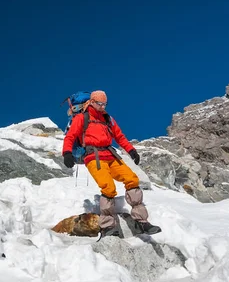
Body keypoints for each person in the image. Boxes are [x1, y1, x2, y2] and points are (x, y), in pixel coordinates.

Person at [62, 90, 161, 238]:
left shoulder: (108, 119)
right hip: (93, 156)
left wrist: (131, 151)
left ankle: (142, 221)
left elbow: (120, 137)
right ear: (92, 102)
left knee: (132, 179)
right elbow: (70, 136)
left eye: (105, 104)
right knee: (108, 187)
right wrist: (67, 153)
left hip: (111, 155)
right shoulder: (82, 118)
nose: (102, 107)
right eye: (100, 104)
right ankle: (108, 226)